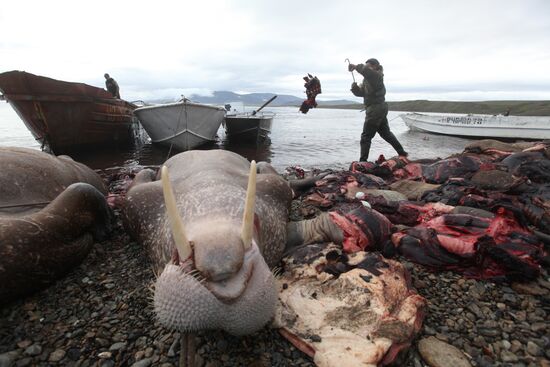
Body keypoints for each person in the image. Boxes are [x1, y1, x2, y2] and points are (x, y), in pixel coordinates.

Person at [348, 58, 407, 161]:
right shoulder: (369, 79)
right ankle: (402, 153)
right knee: (386, 133)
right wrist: (355, 89)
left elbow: (367, 72)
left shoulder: (377, 76)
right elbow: (362, 93)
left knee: (366, 136)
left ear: (375, 66)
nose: (366, 68)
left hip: (375, 109)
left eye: (368, 66)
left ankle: (363, 162)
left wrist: (356, 66)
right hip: (379, 109)